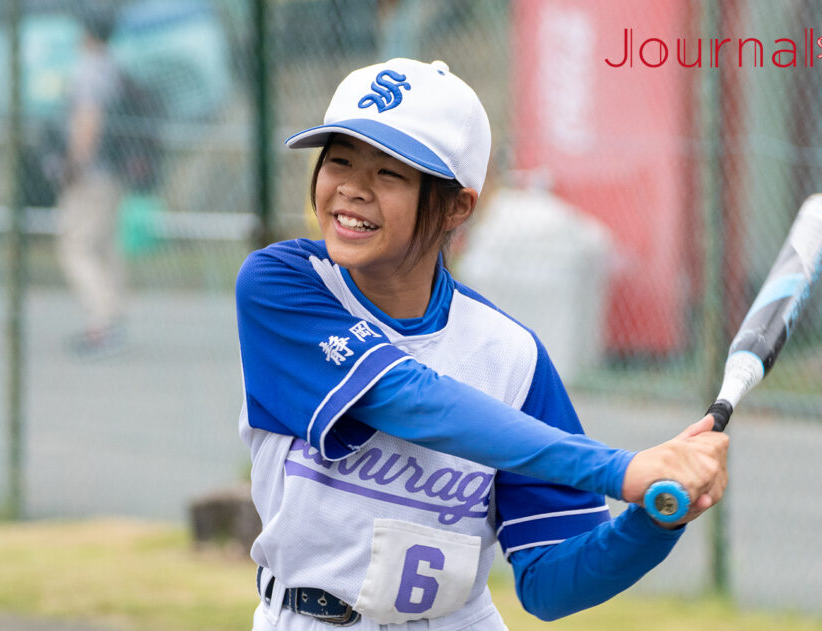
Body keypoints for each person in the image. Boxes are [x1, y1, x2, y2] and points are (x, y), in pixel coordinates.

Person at [236, 58, 728, 630]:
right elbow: (412, 399)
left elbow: (551, 586)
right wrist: (622, 470)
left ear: (457, 206)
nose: (351, 188)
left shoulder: (511, 356)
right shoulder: (284, 285)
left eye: (389, 173)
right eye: (339, 160)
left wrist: (655, 517)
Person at [56, 9, 125, 355]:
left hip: (91, 174)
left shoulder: (88, 70)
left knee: (76, 247)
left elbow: (88, 119)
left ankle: (101, 324)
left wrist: (74, 165)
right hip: (113, 172)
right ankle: (110, 317)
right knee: (103, 247)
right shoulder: (112, 66)